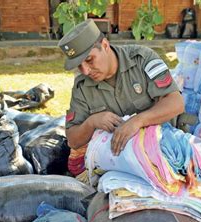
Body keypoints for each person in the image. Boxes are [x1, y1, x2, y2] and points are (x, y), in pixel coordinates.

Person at [58, 19, 184, 156]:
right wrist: (91, 122)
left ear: (105, 45)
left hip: (162, 150)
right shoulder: (82, 86)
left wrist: (138, 121)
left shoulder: (142, 59)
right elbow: (72, 140)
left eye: (89, 60)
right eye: (79, 66)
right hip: (119, 161)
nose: (86, 71)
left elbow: (176, 103)